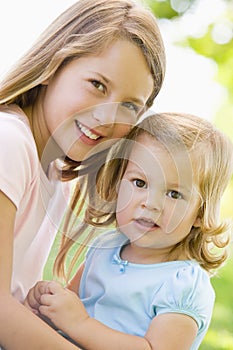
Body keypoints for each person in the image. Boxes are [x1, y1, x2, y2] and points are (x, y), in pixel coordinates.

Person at [0, 0, 166, 348]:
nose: (108, 116)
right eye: (98, 85)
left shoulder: (55, 177)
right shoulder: (9, 142)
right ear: (52, 66)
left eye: (129, 106)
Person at [25, 112, 233, 350]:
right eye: (140, 183)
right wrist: (47, 304)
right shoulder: (106, 249)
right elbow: (69, 307)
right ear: (118, 182)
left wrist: (79, 323)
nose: (151, 203)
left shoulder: (181, 285)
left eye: (174, 194)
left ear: (200, 213)